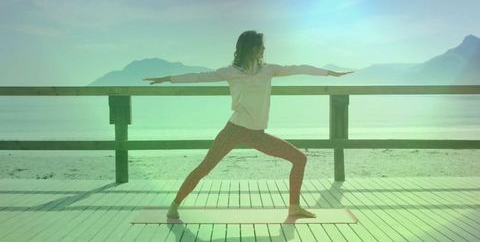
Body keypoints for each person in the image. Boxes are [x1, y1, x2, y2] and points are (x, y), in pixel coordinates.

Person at [143, 30, 353, 218]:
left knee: (299, 159)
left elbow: (298, 69)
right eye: (261, 45)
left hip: (257, 134)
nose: (264, 49)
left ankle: (294, 207)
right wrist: (167, 78)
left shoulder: (269, 70)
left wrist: (329, 73)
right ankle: (175, 205)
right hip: (234, 130)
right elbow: (198, 77)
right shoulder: (230, 71)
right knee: (205, 167)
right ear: (252, 48)